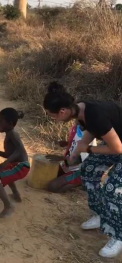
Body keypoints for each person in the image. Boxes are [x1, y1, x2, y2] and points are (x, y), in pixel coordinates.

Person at [43, 81, 122, 258]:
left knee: (113, 188)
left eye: (53, 116)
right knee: (88, 171)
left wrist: (89, 150)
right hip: (115, 142)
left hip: (118, 146)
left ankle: (118, 235)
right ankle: (100, 215)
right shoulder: (81, 111)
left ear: (62, 111)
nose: (54, 119)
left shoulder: (96, 114)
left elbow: (117, 149)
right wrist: (74, 155)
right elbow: (89, 134)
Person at [0, 108, 30, 218]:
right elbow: (9, 154)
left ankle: (8, 206)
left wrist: (7, 162)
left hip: (21, 167)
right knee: (4, 171)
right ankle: (16, 195)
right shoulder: (10, 134)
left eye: (0, 122)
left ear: (10, 123)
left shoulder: (12, 134)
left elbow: (20, 150)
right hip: (19, 166)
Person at [47, 123, 96, 193]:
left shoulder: (89, 134)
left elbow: (81, 159)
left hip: (81, 169)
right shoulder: (78, 127)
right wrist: (67, 143)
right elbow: (76, 144)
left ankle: (80, 181)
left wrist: (62, 158)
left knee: (52, 187)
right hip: (69, 164)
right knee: (48, 175)